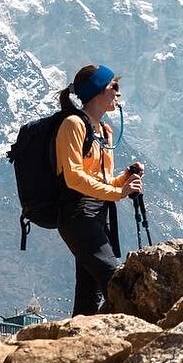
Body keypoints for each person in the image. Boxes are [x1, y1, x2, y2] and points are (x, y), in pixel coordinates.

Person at [56, 64, 143, 315]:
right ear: (97, 91)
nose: (118, 93)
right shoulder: (73, 125)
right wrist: (118, 192)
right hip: (77, 215)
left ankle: (77, 345)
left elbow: (102, 182)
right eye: (113, 87)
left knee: (88, 294)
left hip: (96, 216)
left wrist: (125, 178)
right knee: (113, 280)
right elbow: (74, 178)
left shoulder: (105, 131)